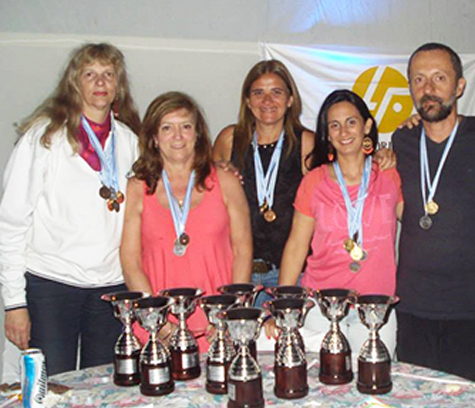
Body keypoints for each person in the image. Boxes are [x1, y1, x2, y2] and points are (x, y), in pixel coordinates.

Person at [0, 43, 141, 375]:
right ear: (74, 83)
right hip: (52, 285)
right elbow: (11, 223)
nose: (100, 82)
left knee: (105, 390)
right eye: (89, 74)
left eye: (108, 74)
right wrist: (15, 303)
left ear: (119, 84)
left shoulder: (130, 141)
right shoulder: (44, 138)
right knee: (51, 389)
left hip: (111, 288)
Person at [392, 42, 475, 387]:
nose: (428, 88)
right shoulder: (401, 140)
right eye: (418, 79)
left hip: (471, 305)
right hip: (414, 302)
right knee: (417, 407)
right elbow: (399, 206)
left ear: (459, 86)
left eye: (439, 78)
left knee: (471, 407)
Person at [120, 91, 252, 351]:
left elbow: (243, 251)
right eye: (167, 128)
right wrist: (156, 320)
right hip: (158, 327)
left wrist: (228, 313)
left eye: (186, 127)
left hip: (216, 326)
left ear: (198, 135)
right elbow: (130, 259)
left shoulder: (225, 181)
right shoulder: (137, 186)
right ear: (154, 138)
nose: (178, 136)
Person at [275, 89, 403, 355]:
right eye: (335, 125)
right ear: (328, 134)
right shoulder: (314, 180)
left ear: (367, 126)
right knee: (326, 388)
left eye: (351, 122)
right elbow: (297, 244)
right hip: (322, 304)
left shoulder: (389, 175)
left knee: (374, 385)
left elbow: (417, 223)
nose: (344, 131)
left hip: (376, 306)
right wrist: (286, 303)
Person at [212, 60, 314, 309]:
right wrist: (218, 171)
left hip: (291, 274)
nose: (267, 100)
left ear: (290, 99)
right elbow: (206, 201)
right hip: (238, 273)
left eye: (276, 92)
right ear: (247, 101)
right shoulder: (230, 139)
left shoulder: (307, 143)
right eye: (258, 92)